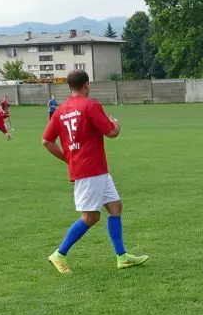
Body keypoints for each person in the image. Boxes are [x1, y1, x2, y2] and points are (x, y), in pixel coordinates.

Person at [42, 69, 148, 273]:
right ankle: (59, 254)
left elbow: (47, 141)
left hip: (95, 169)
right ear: (86, 85)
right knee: (90, 216)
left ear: (69, 86)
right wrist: (116, 124)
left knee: (115, 207)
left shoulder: (60, 110)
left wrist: (69, 159)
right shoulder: (90, 105)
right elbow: (112, 132)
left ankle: (122, 257)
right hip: (91, 169)